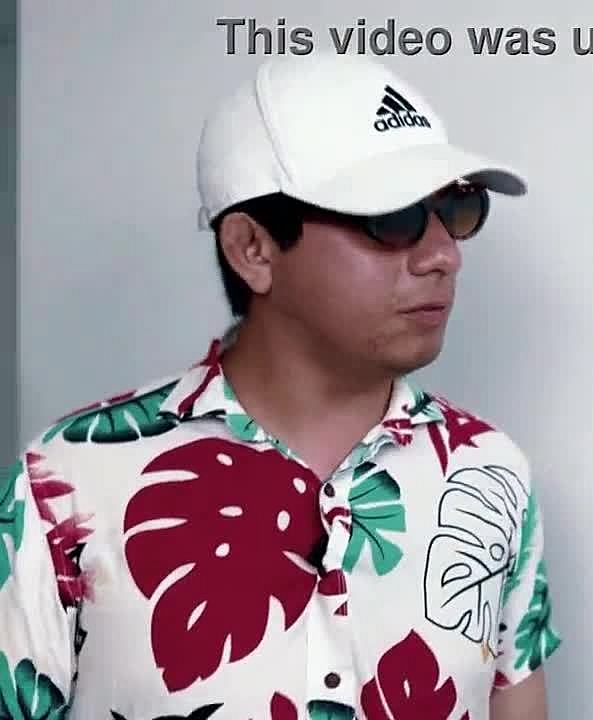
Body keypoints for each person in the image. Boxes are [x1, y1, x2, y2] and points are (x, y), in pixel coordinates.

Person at [0, 53, 561, 720]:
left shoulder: (491, 473)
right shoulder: (62, 483)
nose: (445, 254)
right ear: (254, 249)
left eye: (457, 208)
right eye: (394, 216)